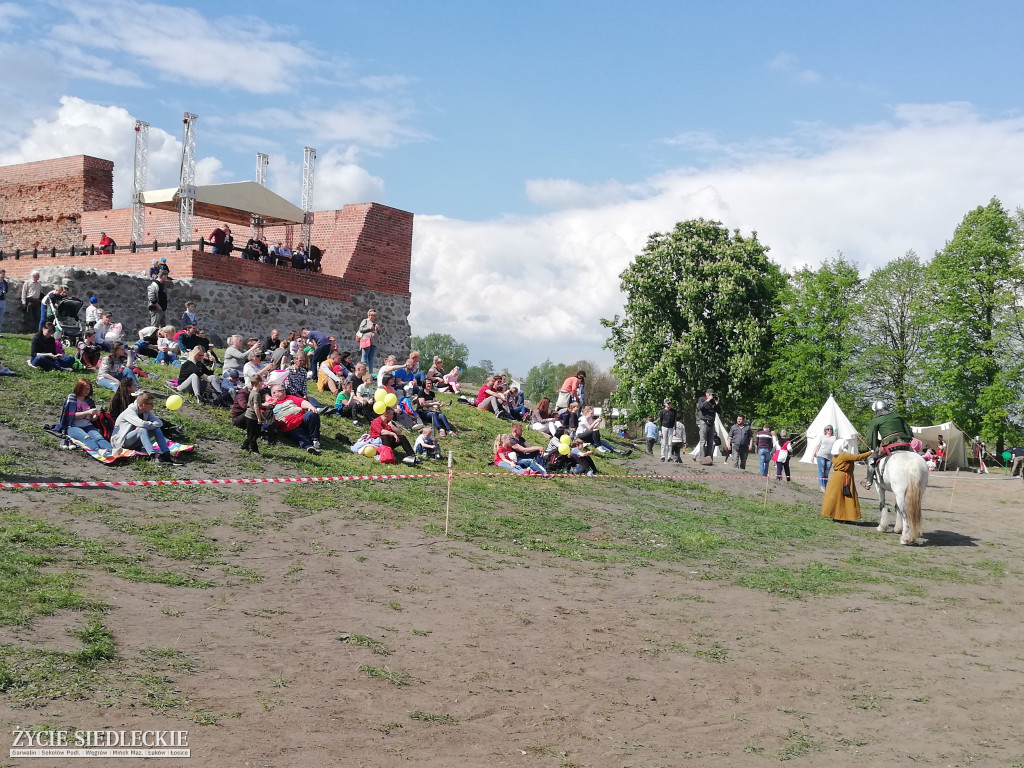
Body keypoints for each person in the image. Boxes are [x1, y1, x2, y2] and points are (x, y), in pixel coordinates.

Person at [111, 391, 182, 465]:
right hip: (122, 441)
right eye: (151, 404)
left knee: (156, 429)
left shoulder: (145, 411)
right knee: (142, 430)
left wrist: (148, 425)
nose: (153, 406)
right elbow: (141, 424)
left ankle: (167, 454)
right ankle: (154, 457)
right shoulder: (129, 412)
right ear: (143, 405)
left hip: (136, 440)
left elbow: (159, 422)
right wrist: (148, 425)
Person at [863, 399, 913, 490]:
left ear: (876, 410)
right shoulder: (897, 416)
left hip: (889, 444)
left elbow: (871, 437)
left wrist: (875, 445)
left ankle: (868, 481)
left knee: (871, 459)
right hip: (904, 443)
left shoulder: (876, 420)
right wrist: (908, 438)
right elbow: (908, 430)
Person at [57, 378, 113, 456]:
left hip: (87, 425)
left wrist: (95, 415)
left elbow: (92, 420)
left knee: (98, 437)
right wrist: (87, 412)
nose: (87, 391)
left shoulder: (89, 401)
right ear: (79, 388)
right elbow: (71, 416)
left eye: (88, 389)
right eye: (85, 389)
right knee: (86, 437)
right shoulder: (72, 398)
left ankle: (112, 450)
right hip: (73, 426)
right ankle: (98, 450)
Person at [822, 441, 872, 522]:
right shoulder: (843, 455)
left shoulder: (835, 456)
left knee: (837, 497)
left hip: (836, 477)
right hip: (843, 478)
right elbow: (858, 457)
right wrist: (870, 452)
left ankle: (835, 515)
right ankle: (843, 516)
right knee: (845, 497)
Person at [265, 384, 322, 454]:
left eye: (284, 390)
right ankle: (308, 447)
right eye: (281, 391)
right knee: (299, 436)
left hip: (302, 420)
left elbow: (302, 402)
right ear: (274, 393)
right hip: (289, 426)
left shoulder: (290, 397)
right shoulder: (269, 404)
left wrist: (310, 406)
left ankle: (315, 439)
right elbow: (264, 414)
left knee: (312, 414)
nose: (284, 392)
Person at [241, 375, 274, 454]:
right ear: (259, 383)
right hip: (252, 417)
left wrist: (262, 417)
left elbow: (257, 406)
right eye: (262, 383)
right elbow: (255, 407)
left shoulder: (252, 392)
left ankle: (246, 446)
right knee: (253, 434)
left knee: (254, 433)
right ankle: (252, 449)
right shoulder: (256, 394)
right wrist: (259, 418)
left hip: (250, 416)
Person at [697, 389, 720, 460]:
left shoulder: (713, 402)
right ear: (707, 394)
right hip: (704, 421)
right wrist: (707, 400)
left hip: (711, 422)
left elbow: (719, 411)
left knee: (711, 442)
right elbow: (700, 407)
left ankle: (709, 458)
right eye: (710, 394)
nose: (712, 396)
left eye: (712, 395)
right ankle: (702, 458)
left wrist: (717, 403)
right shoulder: (701, 399)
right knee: (703, 441)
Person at [813, 424, 838, 492]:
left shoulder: (834, 437)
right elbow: (817, 446)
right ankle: (822, 487)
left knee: (826, 473)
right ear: (825, 430)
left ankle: (825, 487)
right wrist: (812, 455)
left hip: (830, 457)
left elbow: (837, 433)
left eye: (830, 429)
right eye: (828, 429)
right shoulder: (822, 437)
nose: (829, 430)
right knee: (821, 471)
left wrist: (836, 429)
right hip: (821, 455)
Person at [0, 269, 8, 335]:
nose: (3, 276)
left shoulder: (5, 282)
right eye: (2, 274)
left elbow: (6, 290)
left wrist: (4, 291)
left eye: (4, 274)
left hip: (2, 300)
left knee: (1, 318)